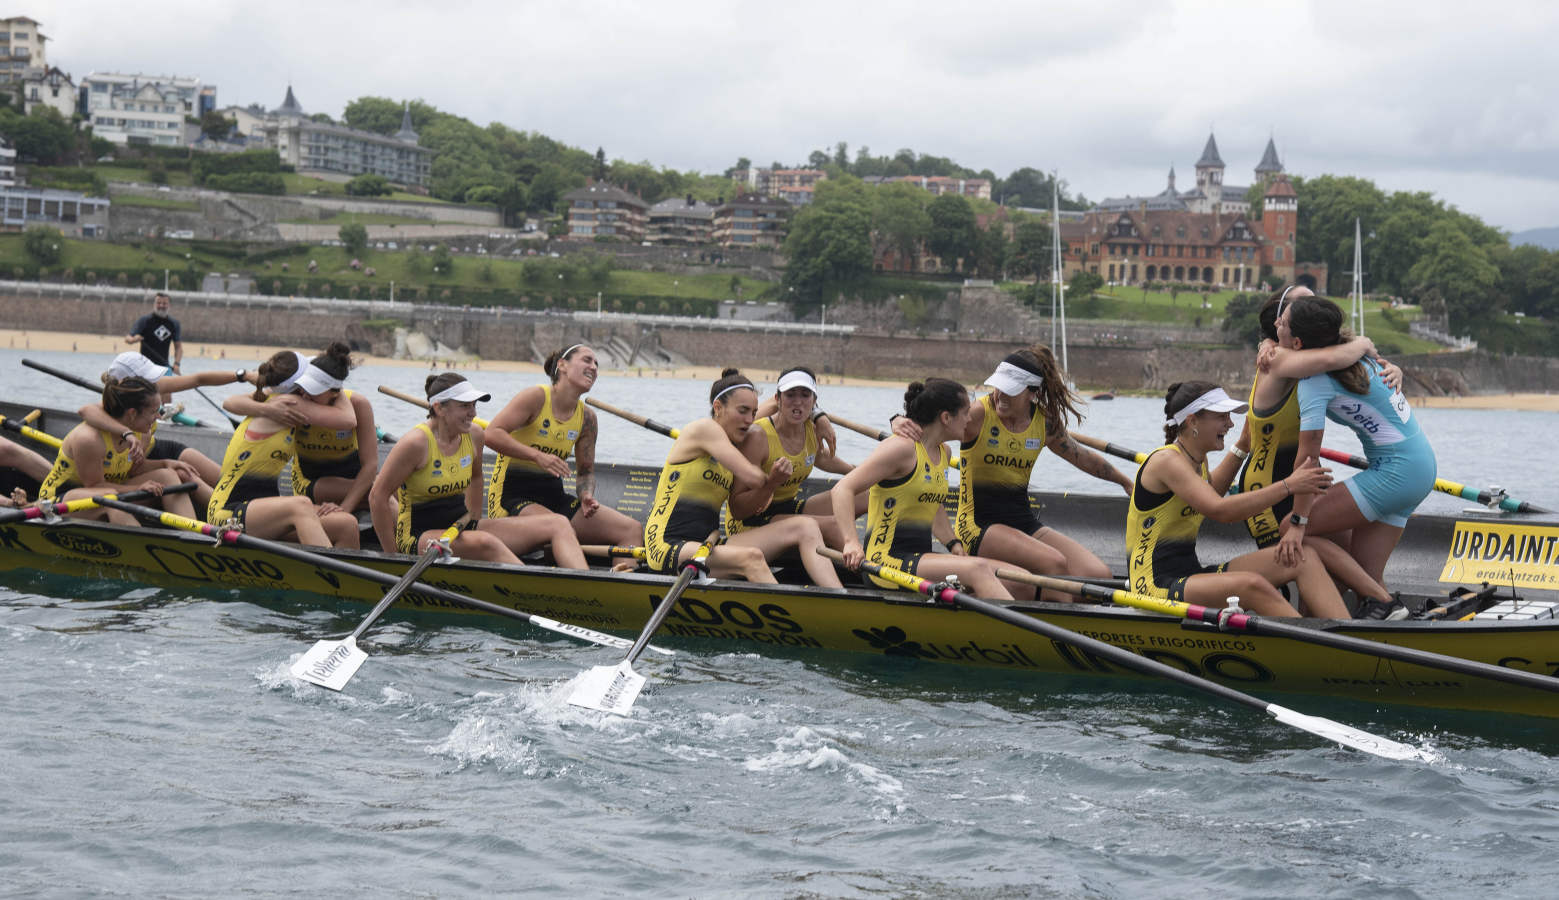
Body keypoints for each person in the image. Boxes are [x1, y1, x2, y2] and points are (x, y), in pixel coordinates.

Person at [1234, 286, 1405, 617]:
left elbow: (1361, 372)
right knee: (1308, 566)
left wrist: (1393, 369)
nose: (1313, 307)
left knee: (1344, 565)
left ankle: (1377, 619)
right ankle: (1374, 605)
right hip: (1269, 488)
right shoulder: (1281, 358)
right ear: (1282, 323)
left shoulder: (1302, 357)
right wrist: (1363, 343)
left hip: (1305, 481)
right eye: (1301, 304)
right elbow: (1337, 356)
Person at [1127, 381, 1349, 618]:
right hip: (1153, 586)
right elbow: (1220, 510)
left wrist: (1244, 445)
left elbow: (1212, 492)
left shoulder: (1196, 460)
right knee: (1252, 586)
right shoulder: (1167, 462)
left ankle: (1348, 636)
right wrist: (1289, 485)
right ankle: (1321, 648)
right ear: (1192, 421)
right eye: (1222, 417)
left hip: (1189, 574)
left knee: (1301, 558)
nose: (1230, 423)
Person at [1278, 295, 1438, 615]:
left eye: (1281, 321)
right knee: (1365, 573)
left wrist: (1298, 521)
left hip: (1396, 472)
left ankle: (1381, 601)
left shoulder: (1314, 381)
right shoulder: (1357, 354)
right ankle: (1382, 617)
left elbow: (1307, 458)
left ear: (1297, 342)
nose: (1275, 324)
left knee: (1292, 531)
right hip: (1421, 467)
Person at [942, 346, 1132, 602]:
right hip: (978, 525)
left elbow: (1081, 456)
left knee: (1099, 575)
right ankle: (1056, 626)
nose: (1000, 396)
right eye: (998, 387)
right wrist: (899, 421)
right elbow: (934, 428)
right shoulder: (978, 414)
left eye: (1010, 390)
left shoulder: (1044, 423)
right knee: (1054, 563)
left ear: (1034, 392)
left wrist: (1124, 481)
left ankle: (1047, 602)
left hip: (1022, 521)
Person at [642, 368, 842, 587]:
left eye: (753, 413)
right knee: (752, 558)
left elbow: (782, 403)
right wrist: (772, 480)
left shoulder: (734, 440)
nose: (750, 420)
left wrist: (818, 415)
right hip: (667, 545)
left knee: (805, 527)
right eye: (743, 411)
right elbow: (754, 477)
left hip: (707, 545)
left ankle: (840, 596)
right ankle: (791, 614)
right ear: (718, 408)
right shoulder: (703, 429)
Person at [372, 373, 587, 566]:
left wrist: (473, 517)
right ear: (439, 408)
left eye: (474, 405)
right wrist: (392, 559)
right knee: (487, 543)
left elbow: (476, 477)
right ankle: (541, 596)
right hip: (418, 536)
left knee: (558, 523)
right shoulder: (416, 443)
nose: (473, 413)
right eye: (465, 406)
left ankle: (587, 589)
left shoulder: (474, 435)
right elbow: (377, 497)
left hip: (460, 525)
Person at [830, 378, 1016, 601]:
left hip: (917, 559)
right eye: (965, 412)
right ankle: (1018, 635)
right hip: (884, 564)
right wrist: (851, 541)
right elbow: (842, 489)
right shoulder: (901, 448)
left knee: (1015, 577)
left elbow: (932, 503)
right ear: (946, 417)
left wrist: (953, 543)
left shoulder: (944, 452)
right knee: (978, 569)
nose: (969, 418)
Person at [484, 344, 641, 569]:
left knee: (631, 529)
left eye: (596, 363)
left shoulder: (587, 418)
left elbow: (585, 472)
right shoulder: (536, 397)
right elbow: (491, 434)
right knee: (558, 525)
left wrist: (586, 494)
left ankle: (623, 589)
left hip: (554, 496)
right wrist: (537, 456)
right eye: (587, 360)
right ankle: (585, 585)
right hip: (512, 497)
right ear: (562, 365)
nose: (594, 367)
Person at [207, 354, 360, 548]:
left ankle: (345, 575)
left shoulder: (269, 398)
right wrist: (336, 386)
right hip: (227, 512)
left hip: (260, 510)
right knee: (301, 505)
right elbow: (348, 420)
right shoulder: (290, 403)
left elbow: (231, 401)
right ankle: (330, 575)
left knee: (345, 523)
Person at [222, 344, 378, 513]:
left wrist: (344, 508)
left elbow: (370, 465)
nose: (304, 394)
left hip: (350, 475)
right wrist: (269, 409)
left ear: (335, 392)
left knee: (388, 492)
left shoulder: (358, 404)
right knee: (382, 497)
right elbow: (230, 402)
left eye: (314, 390)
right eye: (305, 386)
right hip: (310, 480)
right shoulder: (294, 400)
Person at [37, 377, 198, 525]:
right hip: (57, 500)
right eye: (153, 412)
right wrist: (137, 488)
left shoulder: (141, 432)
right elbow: (95, 485)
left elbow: (134, 470)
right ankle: (141, 547)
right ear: (132, 414)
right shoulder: (89, 439)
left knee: (167, 475)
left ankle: (195, 537)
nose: (158, 417)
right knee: (109, 496)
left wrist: (166, 463)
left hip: (112, 489)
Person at [728, 366, 858, 547]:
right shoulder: (757, 435)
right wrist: (772, 482)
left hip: (787, 508)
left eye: (805, 395)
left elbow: (818, 456)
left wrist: (857, 473)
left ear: (814, 402)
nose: (798, 402)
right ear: (777, 400)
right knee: (833, 525)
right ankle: (864, 570)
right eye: (790, 395)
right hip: (752, 519)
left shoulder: (811, 428)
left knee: (866, 492)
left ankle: (872, 552)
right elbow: (739, 510)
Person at [89, 350, 242, 489]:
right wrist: (126, 433)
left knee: (230, 483)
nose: (154, 383)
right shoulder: (107, 409)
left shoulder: (150, 389)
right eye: (149, 378)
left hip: (157, 450)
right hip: (138, 463)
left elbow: (199, 379)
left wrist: (242, 376)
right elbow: (86, 410)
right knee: (185, 475)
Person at [124, 292, 182, 372]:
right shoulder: (144, 321)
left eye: (164, 303)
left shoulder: (174, 324)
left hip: (164, 368)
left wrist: (177, 364)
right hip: (144, 367)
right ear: (154, 304)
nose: (161, 306)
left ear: (169, 305)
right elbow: (127, 338)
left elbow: (178, 347)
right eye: (158, 303)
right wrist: (133, 340)